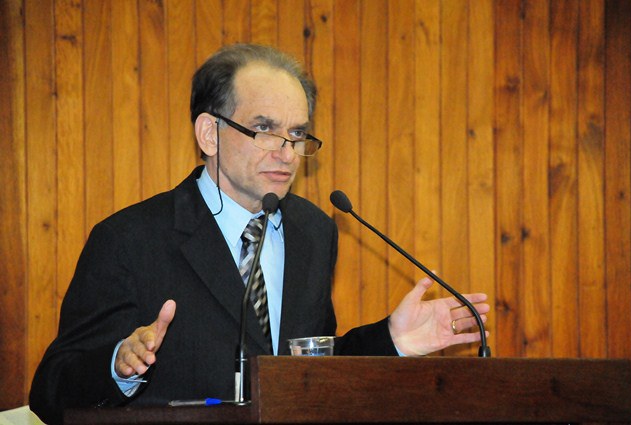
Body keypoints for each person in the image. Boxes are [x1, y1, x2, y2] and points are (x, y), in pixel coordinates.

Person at [29, 44, 489, 425]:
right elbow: (51, 391)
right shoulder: (130, 239)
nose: (286, 152)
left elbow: (304, 367)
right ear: (209, 134)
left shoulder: (313, 231)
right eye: (264, 129)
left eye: (297, 133)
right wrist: (119, 364)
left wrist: (392, 341)